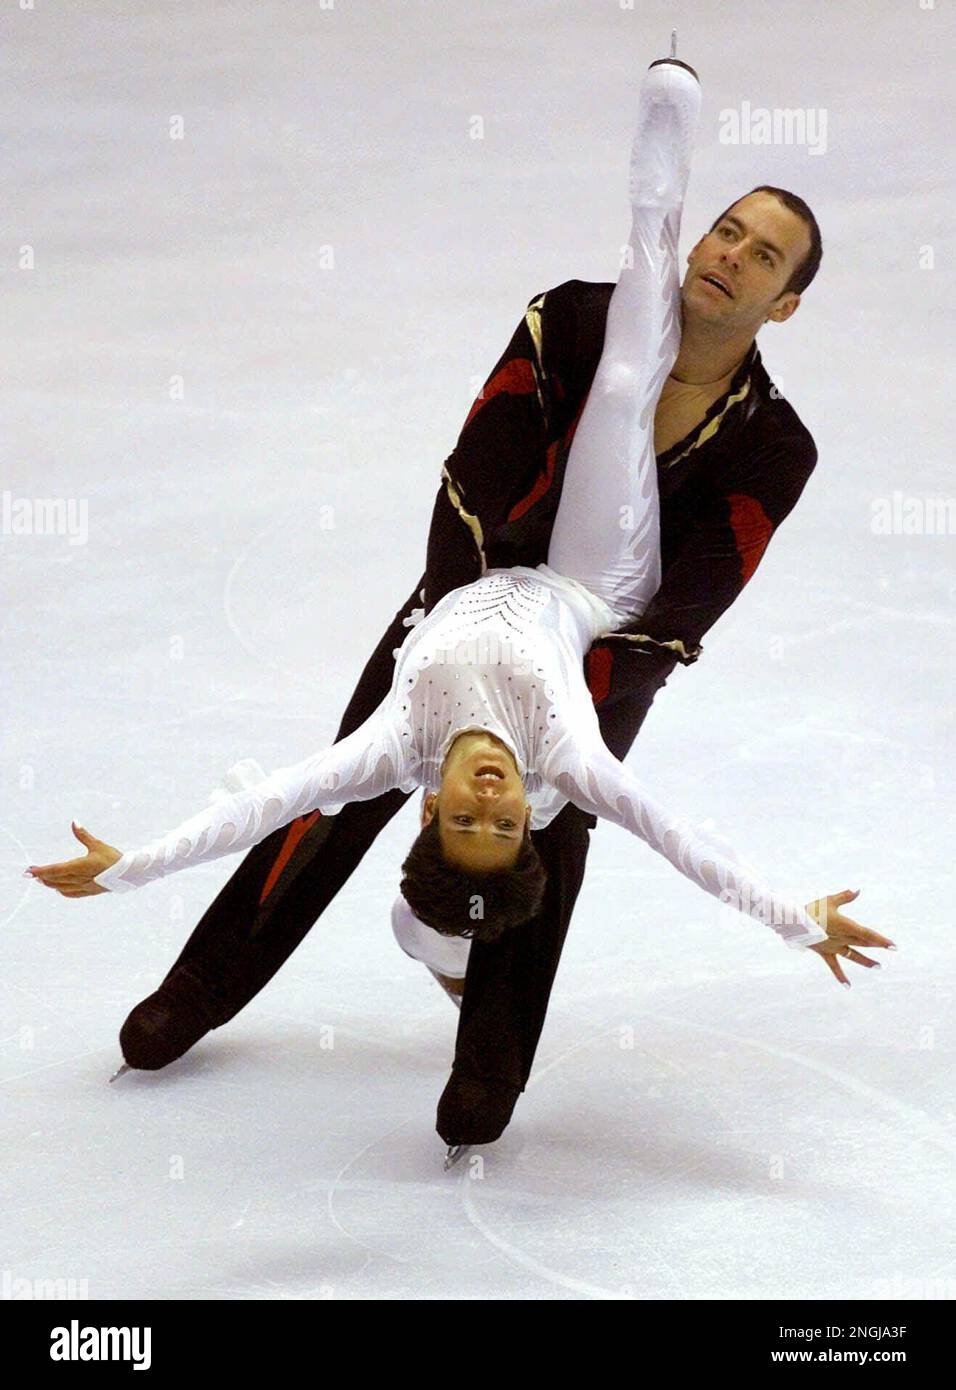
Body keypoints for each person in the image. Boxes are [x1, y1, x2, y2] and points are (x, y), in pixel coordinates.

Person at [25, 51, 894, 1149]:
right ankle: (202, 985)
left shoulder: (774, 444)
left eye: (761, 256)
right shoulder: (576, 320)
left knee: (556, 827)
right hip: (461, 600)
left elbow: (703, 585)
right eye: (725, 229)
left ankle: (487, 1064)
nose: (729, 256)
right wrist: (459, 616)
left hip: (603, 647)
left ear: (787, 303)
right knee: (334, 795)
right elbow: (478, 462)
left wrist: (574, 683)